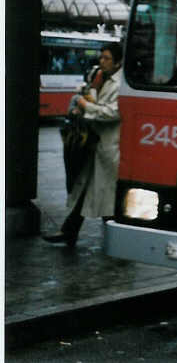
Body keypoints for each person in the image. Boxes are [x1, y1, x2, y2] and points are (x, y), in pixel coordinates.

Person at [44, 42, 122, 247]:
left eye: (107, 58)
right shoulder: (97, 77)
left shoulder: (121, 83)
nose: (102, 62)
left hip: (107, 144)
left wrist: (85, 105)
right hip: (92, 144)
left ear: (118, 62)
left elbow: (112, 113)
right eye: (101, 57)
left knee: (106, 195)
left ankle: (118, 237)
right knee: (84, 189)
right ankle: (69, 231)